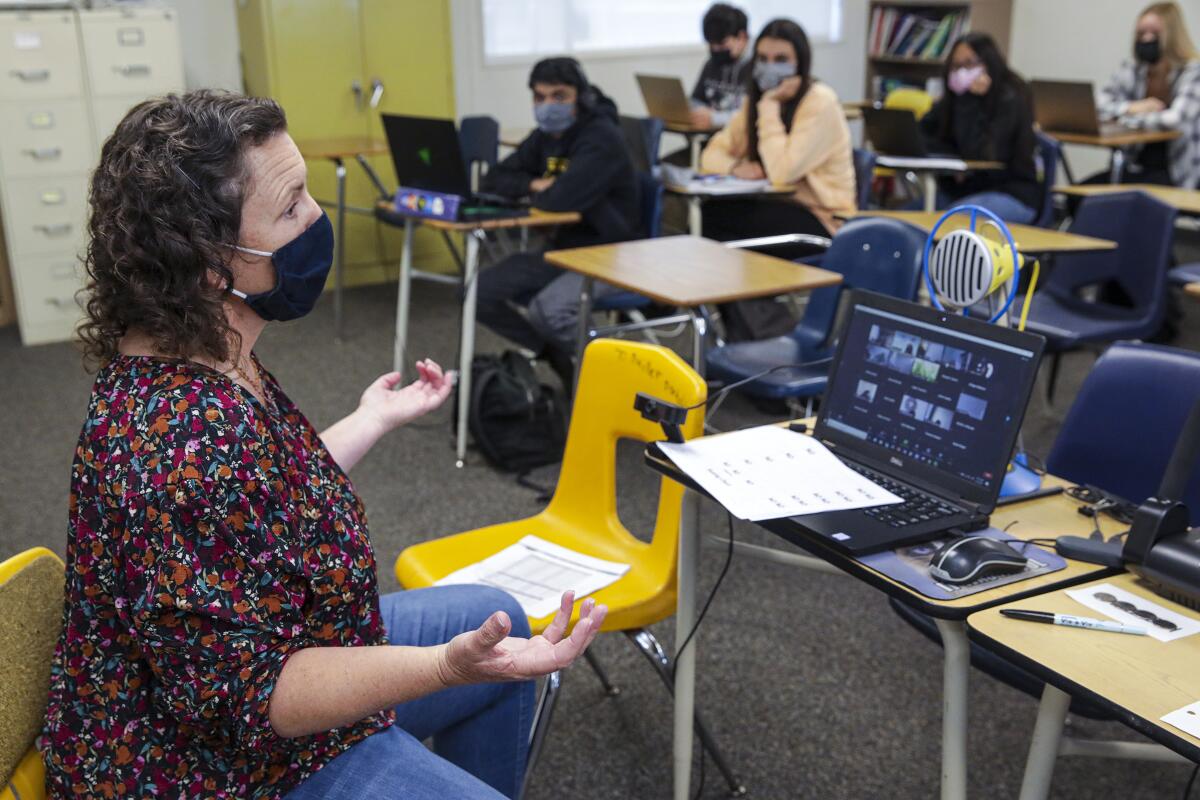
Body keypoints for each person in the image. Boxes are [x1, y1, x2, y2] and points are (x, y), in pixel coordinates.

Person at [41, 89, 606, 800]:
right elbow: (255, 695)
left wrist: (371, 417)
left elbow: (254, 503)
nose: (317, 220)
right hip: (210, 763)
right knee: (473, 653)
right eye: (291, 208)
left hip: (267, 659)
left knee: (488, 610)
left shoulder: (204, 349)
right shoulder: (180, 443)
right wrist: (442, 668)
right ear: (213, 262)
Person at [476, 57, 638, 384]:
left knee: (547, 311)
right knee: (477, 293)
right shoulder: (546, 137)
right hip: (562, 249)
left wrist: (543, 192)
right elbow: (493, 179)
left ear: (582, 96)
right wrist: (534, 184)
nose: (548, 105)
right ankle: (556, 356)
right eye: (539, 97)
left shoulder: (601, 138)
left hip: (610, 254)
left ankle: (626, 375)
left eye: (559, 96)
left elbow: (557, 200)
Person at [699, 18, 856, 251]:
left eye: (781, 60)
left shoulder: (820, 102)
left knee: (729, 222)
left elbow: (782, 172)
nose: (770, 67)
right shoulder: (753, 100)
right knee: (711, 212)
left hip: (822, 220)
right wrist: (734, 168)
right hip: (775, 205)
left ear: (800, 64)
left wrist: (769, 104)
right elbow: (711, 154)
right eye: (762, 59)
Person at [918, 32, 1039, 223]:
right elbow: (924, 134)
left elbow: (981, 155)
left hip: (1008, 193)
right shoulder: (953, 98)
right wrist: (950, 161)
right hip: (962, 192)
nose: (961, 71)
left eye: (969, 64)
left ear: (988, 64)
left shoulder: (1010, 99)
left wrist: (969, 101)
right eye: (956, 65)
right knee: (906, 218)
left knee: (947, 223)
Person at [1095, 1, 1200, 187]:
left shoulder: (1192, 73)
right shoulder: (1133, 69)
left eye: (1154, 33)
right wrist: (1131, 107)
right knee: (1076, 198)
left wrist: (1126, 117)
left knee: (1116, 202)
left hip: (1176, 174)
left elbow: (1174, 120)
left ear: (1172, 37)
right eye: (1141, 33)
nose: (1146, 39)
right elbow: (1097, 105)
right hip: (1133, 166)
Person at [689, 3, 753, 131]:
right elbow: (695, 99)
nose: (715, 49)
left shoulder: (755, 69)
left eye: (721, 43)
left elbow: (753, 115)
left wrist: (716, 118)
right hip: (709, 140)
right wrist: (700, 111)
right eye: (711, 43)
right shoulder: (711, 65)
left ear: (742, 37)